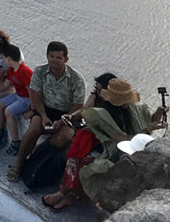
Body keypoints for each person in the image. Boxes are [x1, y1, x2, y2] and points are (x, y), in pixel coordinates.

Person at [43, 75, 167, 210]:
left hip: (124, 152)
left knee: (79, 162)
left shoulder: (134, 109)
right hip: (112, 147)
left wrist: (159, 112)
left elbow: (149, 120)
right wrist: (147, 129)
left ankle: (66, 196)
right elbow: (115, 135)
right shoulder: (102, 113)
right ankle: (65, 195)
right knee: (75, 160)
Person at [7, 41, 86, 182]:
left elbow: (79, 106)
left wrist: (63, 120)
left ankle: (38, 157)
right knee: (33, 130)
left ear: (66, 59)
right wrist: (43, 116)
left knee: (63, 139)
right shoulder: (39, 71)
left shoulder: (77, 79)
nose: (54, 60)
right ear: (47, 56)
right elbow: (36, 96)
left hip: (68, 114)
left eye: (59, 57)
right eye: (52, 56)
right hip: (45, 109)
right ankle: (18, 164)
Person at [0, 44, 33, 154]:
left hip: (27, 99)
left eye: (4, 58)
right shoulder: (12, 70)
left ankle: (15, 142)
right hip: (18, 96)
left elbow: (33, 92)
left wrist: (32, 110)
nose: (3, 61)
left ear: (9, 59)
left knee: (9, 112)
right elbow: (5, 86)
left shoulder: (24, 72)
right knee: (0, 104)